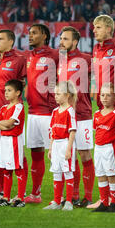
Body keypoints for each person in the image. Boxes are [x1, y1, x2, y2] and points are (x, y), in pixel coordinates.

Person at [58, 26, 95, 207]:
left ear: (75, 42)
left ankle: (88, 197)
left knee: (85, 154)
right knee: (69, 156)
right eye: (61, 38)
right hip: (65, 116)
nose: (61, 42)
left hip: (83, 114)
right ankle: (73, 195)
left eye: (65, 39)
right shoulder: (60, 62)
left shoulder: (87, 59)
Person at [0, 29, 27, 203]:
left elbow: (24, 82)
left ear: (11, 41)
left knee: (18, 162)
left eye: (1, 39)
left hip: (11, 120)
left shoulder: (19, 60)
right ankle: (2, 192)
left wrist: (4, 125)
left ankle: (20, 195)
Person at [24, 23, 59, 204]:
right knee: (36, 153)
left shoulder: (55, 54)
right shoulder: (27, 56)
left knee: (56, 154)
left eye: (34, 33)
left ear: (44, 36)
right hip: (32, 113)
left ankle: (61, 196)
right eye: (29, 33)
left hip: (49, 112)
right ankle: (36, 194)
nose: (30, 36)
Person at [43, 81, 77, 211]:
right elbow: (52, 131)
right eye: (55, 94)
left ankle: (68, 202)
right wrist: (50, 148)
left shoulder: (70, 111)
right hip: (56, 145)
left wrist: (68, 149)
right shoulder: (55, 111)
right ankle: (56, 202)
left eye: (58, 94)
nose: (55, 96)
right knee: (56, 173)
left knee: (67, 172)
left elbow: (72, 131)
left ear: (67, 95)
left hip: (65, 143)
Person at [92, 83, 115, 213]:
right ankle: (104, 203)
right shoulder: (96, 114)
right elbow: (97, 131)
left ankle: (114, 204)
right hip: (98, 148)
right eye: (102, 95)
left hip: (110, 149)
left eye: (108, 95)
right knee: (100, 175)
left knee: (111, 175)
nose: (105, 98)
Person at [0, 79, 27, 208]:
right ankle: (6, 197)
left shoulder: (18, 107)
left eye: (9, 90)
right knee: (6, 169)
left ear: (18, 93)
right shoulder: (3, 108)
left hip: (14, 141)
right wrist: (6, 126)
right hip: (4, 141)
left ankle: (20, 198)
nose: (6, 93)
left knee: (17, 168)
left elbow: (9, 122)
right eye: (5, 90)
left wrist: (5, 124)